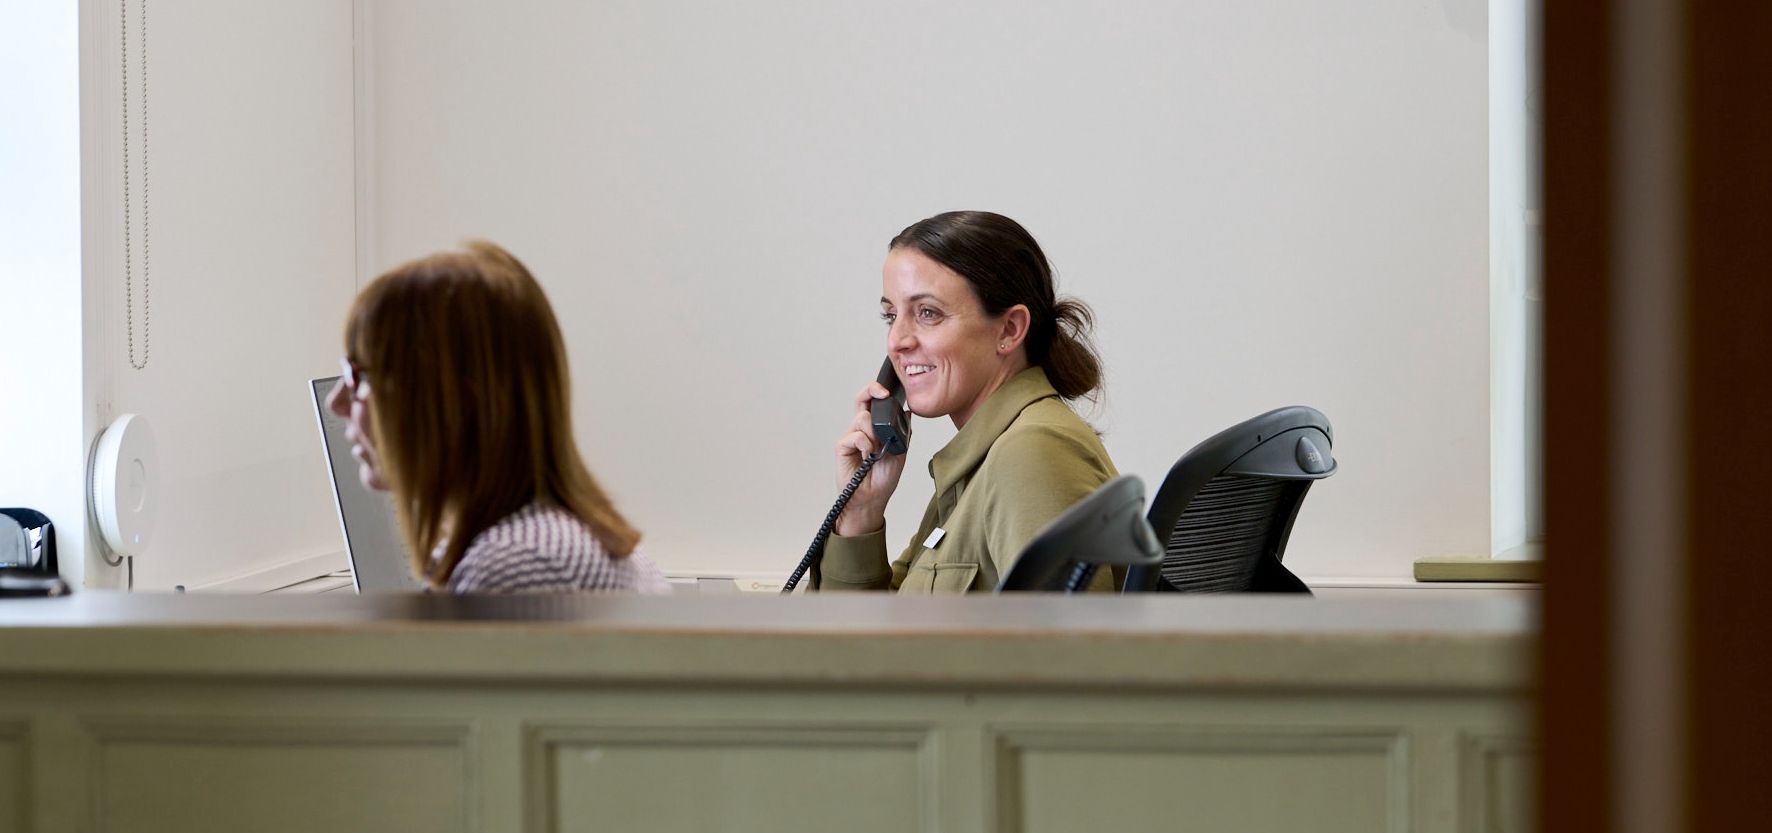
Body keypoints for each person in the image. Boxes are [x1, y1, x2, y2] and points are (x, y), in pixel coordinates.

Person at [325, 241, 669, 594]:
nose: (335, 403)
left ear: (461, 403)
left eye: (360, 377)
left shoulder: (518, 565)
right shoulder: (544, 540)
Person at [813, 211, 1118, 593]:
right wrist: (861, 513)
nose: (897, 340)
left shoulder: (1031, 453)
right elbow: (866, 645)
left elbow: (1068, 651)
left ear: (1009, 330)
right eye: (890, 315)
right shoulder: (977, 468)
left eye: (927, 313)